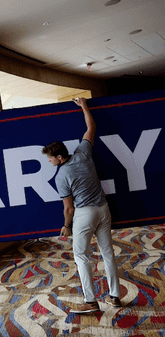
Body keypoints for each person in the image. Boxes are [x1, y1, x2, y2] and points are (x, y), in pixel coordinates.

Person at [42, 97, 121, 314]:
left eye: (50, 158)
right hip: (103, 209)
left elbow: (69, 208)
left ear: (59, 157)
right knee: (108, 253)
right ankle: (115, 297)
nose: (49, 161)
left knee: (82, 256)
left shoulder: (61, 177)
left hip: (85, 214)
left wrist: (66, 226)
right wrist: (84, 106)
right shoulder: (83, 151)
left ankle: (91, 302)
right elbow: (91, 126)